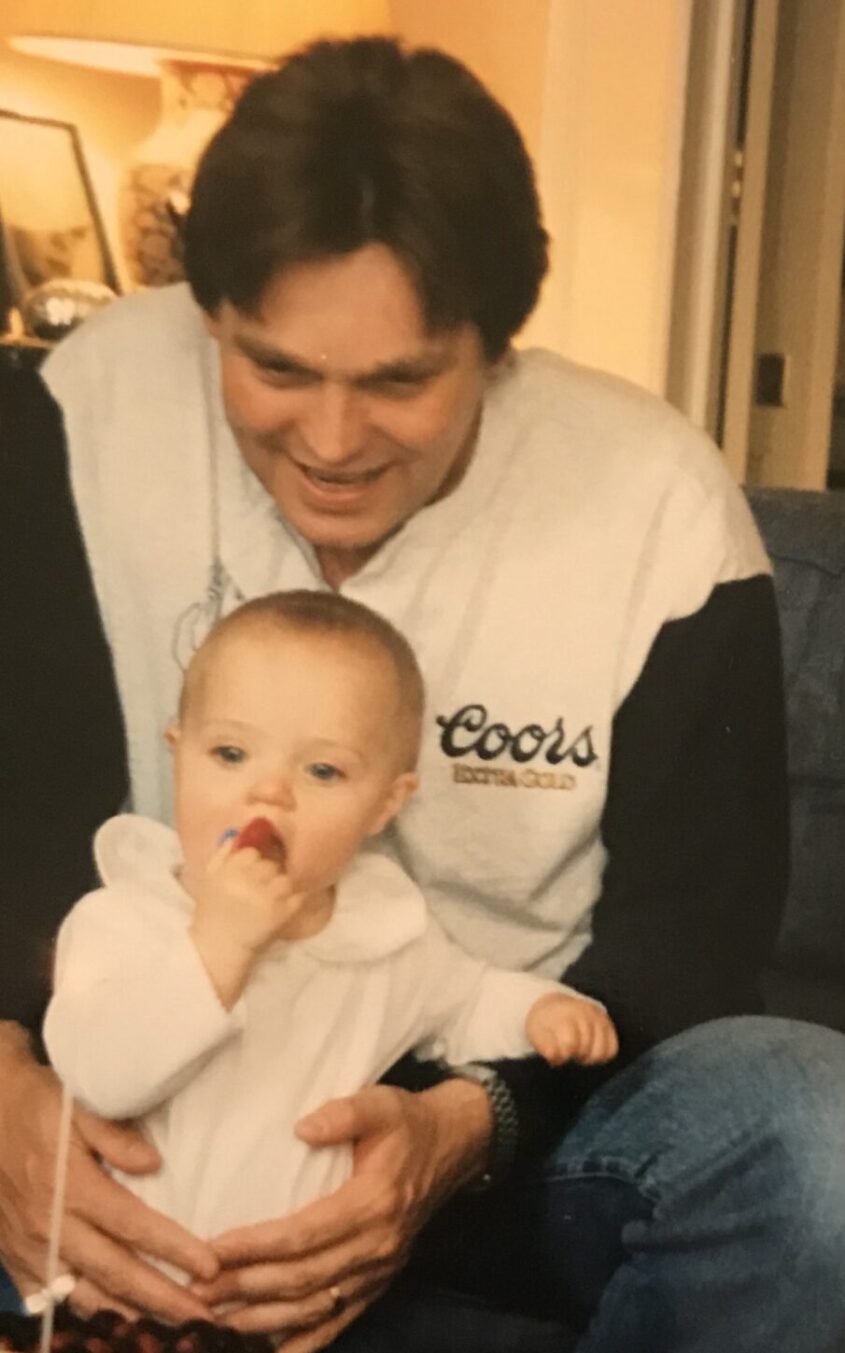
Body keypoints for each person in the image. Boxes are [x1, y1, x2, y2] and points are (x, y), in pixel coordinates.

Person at [3, 30, 845, 1353]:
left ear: (496, 348)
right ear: (206, 318)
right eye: (273, 369)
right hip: (152, 1097)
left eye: (401, 381)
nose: (331, 444)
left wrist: (468, 1126)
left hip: (514, 1120)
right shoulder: (72, 417)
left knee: (816, 1136)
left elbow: (690, 953)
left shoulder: (659, 515)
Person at [42, 590, 615, 1278]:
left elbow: (463, 1001)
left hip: (286, 1299)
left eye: (322, 771)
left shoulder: (383, 937)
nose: (269, 792)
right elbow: (102, 1077)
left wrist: (537, 1011)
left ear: (385, 803)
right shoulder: (124, 919)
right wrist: (218, 943)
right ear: (178, 754)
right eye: (229, 752)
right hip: (114, 1293)